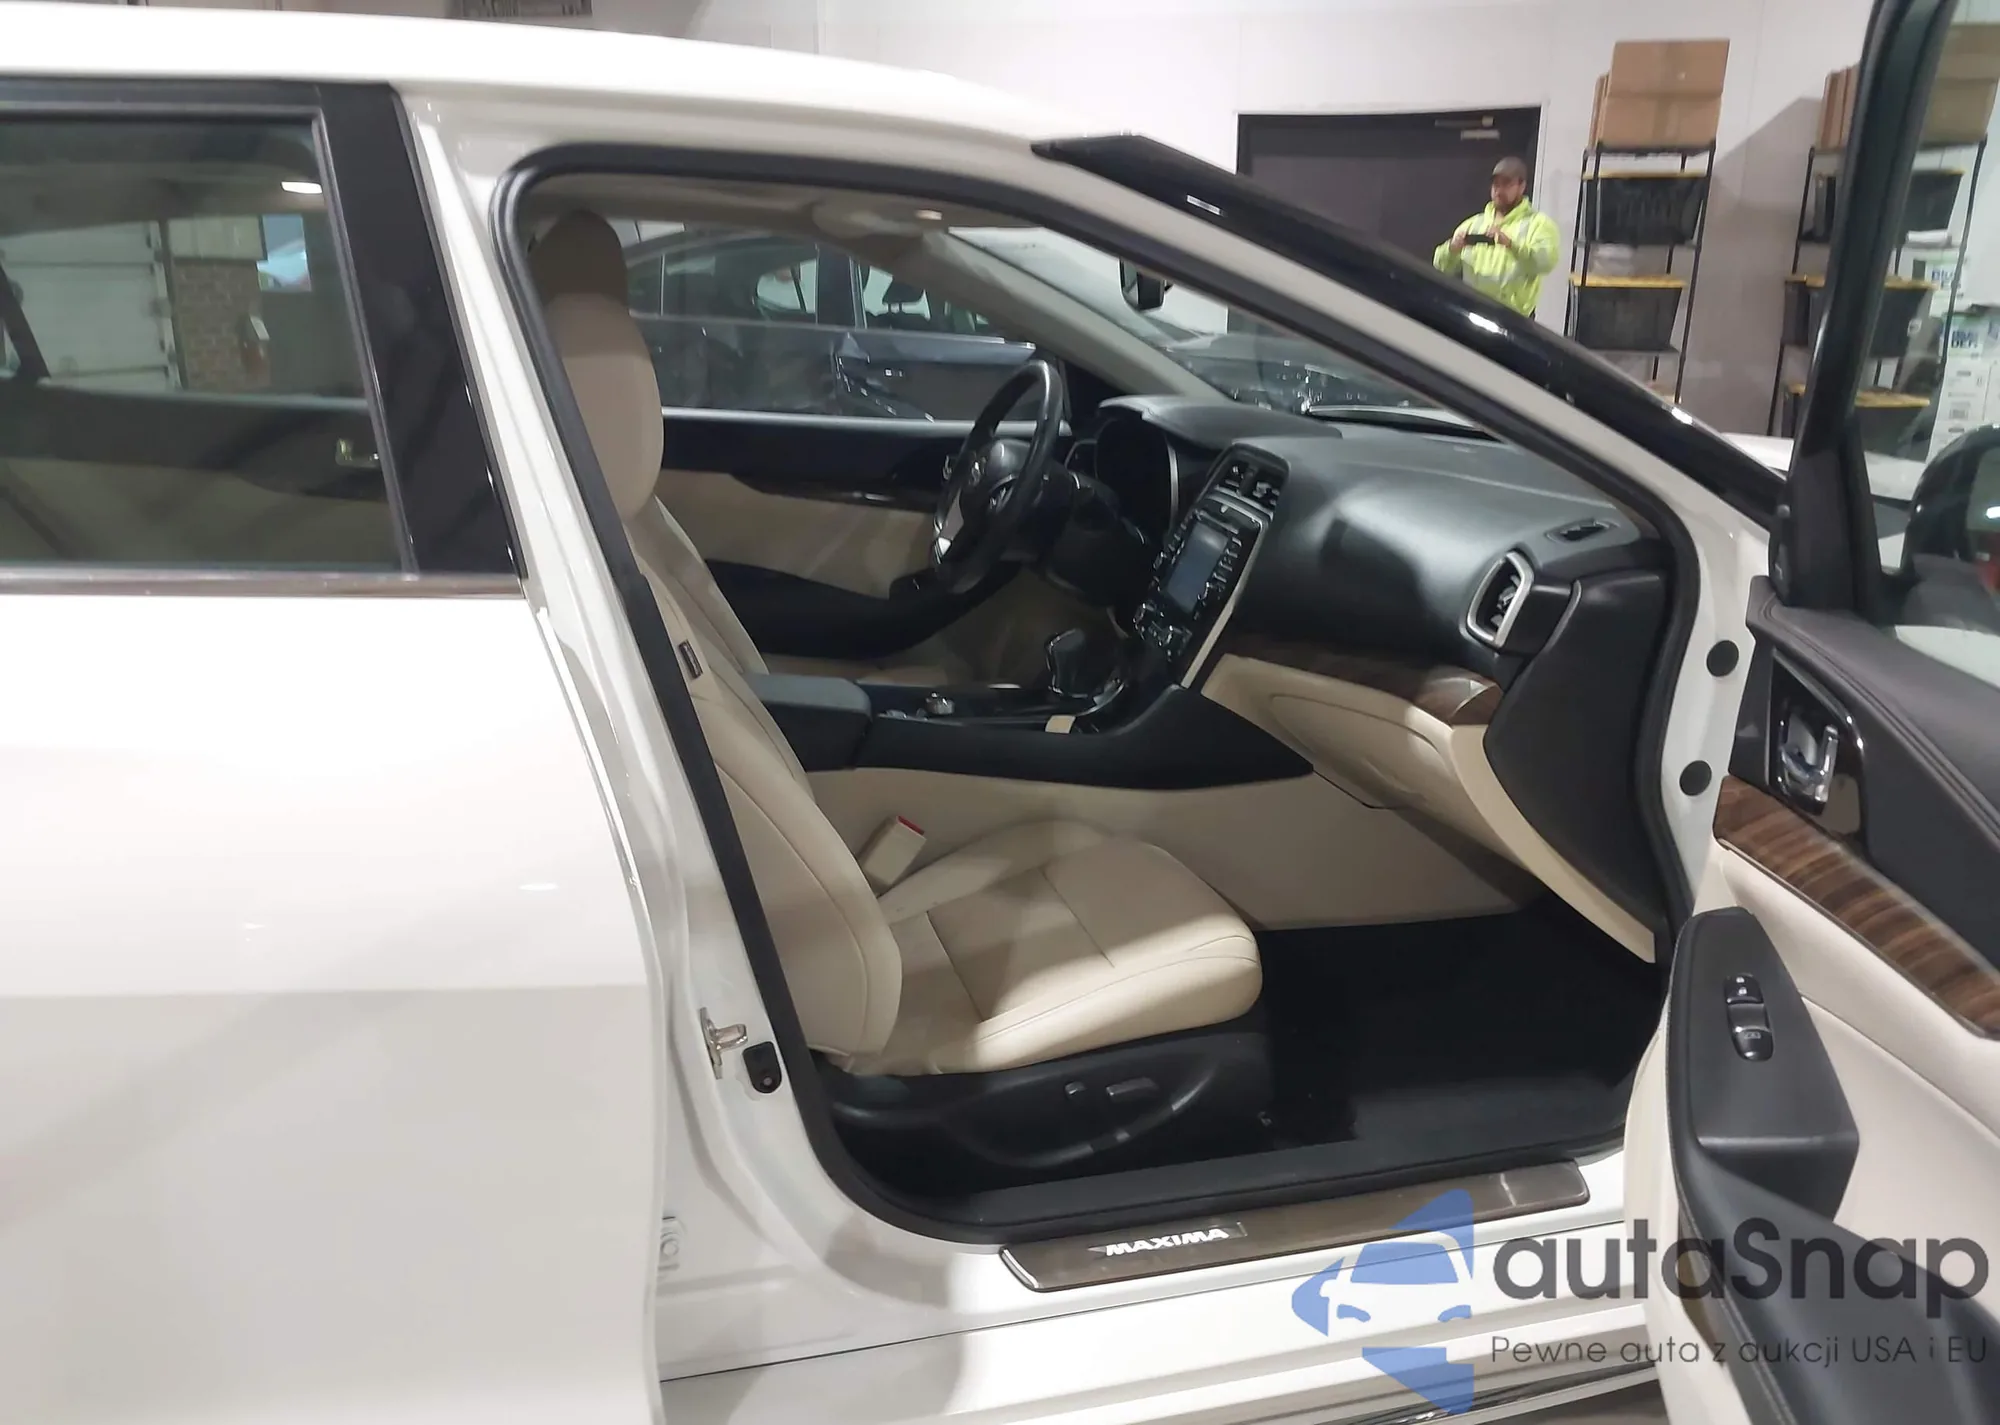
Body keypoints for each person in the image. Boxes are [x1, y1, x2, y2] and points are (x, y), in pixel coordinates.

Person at [1433, 156, 1559, 317]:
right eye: (1496, 184)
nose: (1499, 190)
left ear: (1522, 186)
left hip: (1514, 318)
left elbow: (1545, 263)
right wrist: (1451, 249)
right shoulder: (1473, 224)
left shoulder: (1539, 224)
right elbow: (1441, 266)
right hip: (1473, 313)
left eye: (1507, 184)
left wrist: (1511, 245)